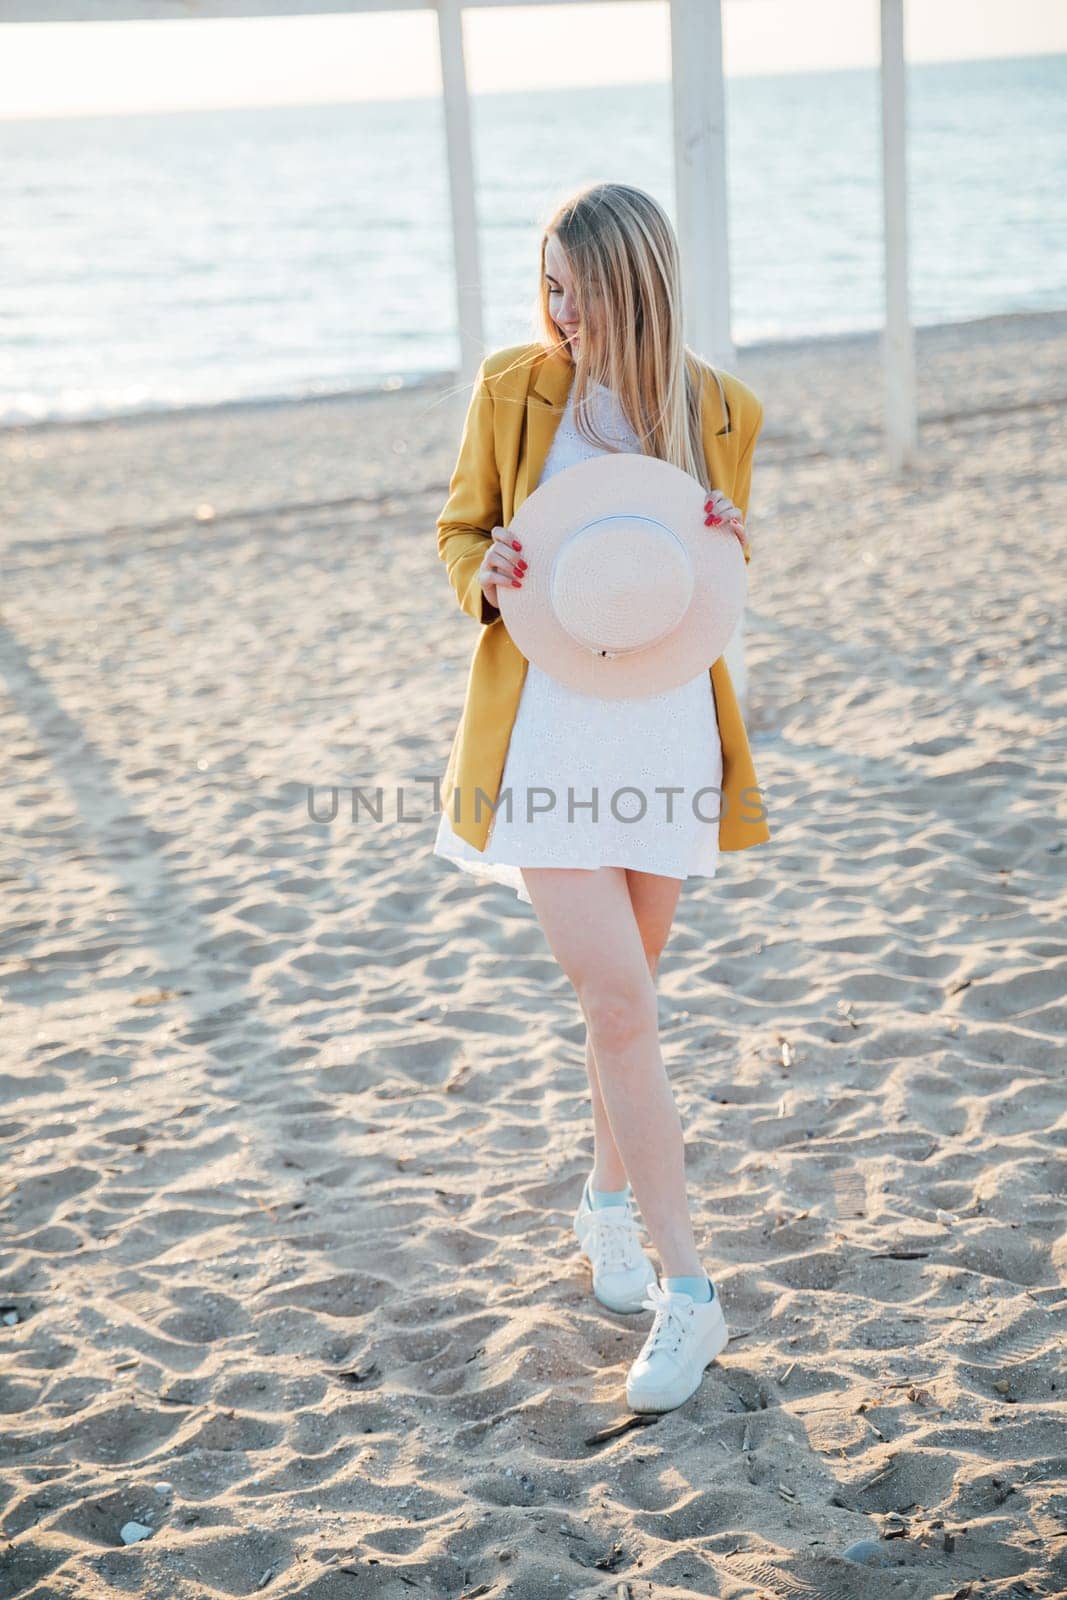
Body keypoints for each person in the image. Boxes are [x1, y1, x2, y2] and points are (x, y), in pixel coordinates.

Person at [432, 182, 769, 1413]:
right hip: (546, 739)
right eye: (549, 285)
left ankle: (606, 1204)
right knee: (618, 1000)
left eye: (578, 288)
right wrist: (491, 567)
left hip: (666, 733)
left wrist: (732, 532)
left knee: (627, 1003)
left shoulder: (719, 409)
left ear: (635, 286)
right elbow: (457, 530)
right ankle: (690, 1291)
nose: (559, 311)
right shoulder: (514, 390)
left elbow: (705, 569)